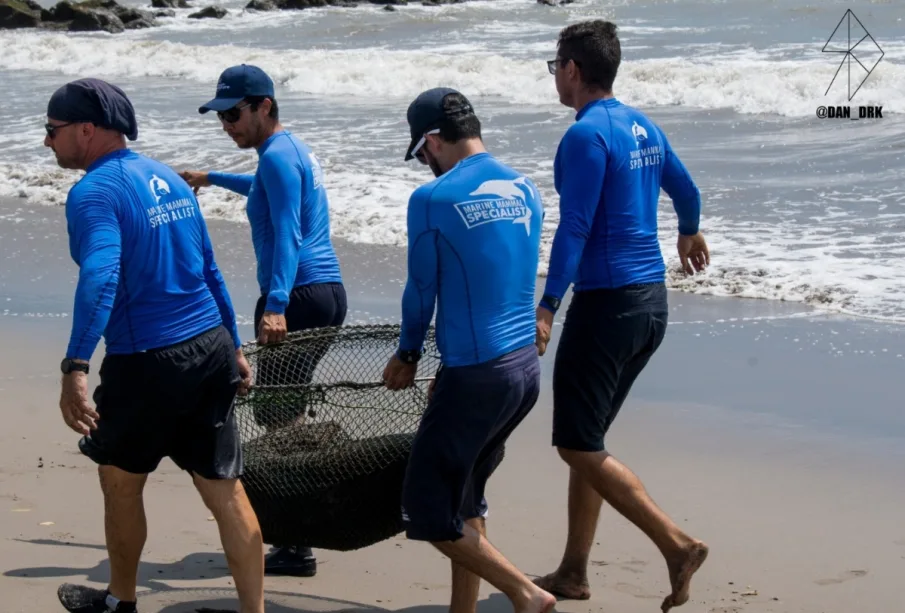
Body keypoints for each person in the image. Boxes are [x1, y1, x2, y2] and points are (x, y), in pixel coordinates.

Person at [45, 78, 265, 613]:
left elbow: (101, 273)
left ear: (87, 130)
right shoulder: (166, 176)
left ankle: (121, 601)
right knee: (224, 488)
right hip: (209, 346)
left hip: (148, 362)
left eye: (53, 130)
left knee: (120, 481)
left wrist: (75, 364)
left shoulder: (94, 192)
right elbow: (208, 266)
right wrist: (234, 346)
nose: (47, 141)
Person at [532, 20, 711, 613]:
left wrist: (549, 304)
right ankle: (574, 572)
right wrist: (688, 232)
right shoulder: (643, 126)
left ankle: (676, 544)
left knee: (576, 445)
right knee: (589, 439)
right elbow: (686, 189)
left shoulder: (586, 136)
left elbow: (575, 227)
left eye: (554, 66)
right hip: (649, 304)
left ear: (574, 70)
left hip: (607, 306)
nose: (554, 76)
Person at [382, 87, 555, 613]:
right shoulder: (525, 188)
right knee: (467, 497)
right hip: (523, 370)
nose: (423, 165)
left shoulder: (434, 199)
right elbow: (499, 280)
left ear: (431, 141)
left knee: (428, 511)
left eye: (420, 154)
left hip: (478, 376)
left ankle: (527, 595)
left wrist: (408, 355)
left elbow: (421, 291)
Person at [180, 63, 346, 578]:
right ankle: (297, 537)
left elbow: (289, 232)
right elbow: (263, 189)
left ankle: (298, 544)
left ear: (263, 107)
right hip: (324, 292)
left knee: (279, 418)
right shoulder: (287, 151)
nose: (226, 124)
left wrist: (275, 303)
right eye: (220, 116)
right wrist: (211, 177)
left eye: (233, 113)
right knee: (285, 411)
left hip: (296, 294)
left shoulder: (276, 157)